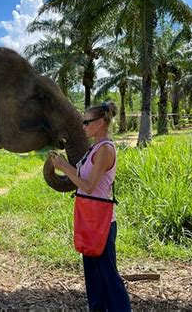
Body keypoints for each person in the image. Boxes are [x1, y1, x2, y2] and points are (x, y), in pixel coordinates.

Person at [49, 101, 131, 312]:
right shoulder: (94, 148)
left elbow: (88, 186)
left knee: (107, 274)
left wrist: (63, 167)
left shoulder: (105, 150)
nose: (84, 126)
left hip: (101, 222)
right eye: (83, 122)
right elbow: (82, 178)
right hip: (88, 217)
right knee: (93, 274)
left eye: (87, 122)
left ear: (102, 122)